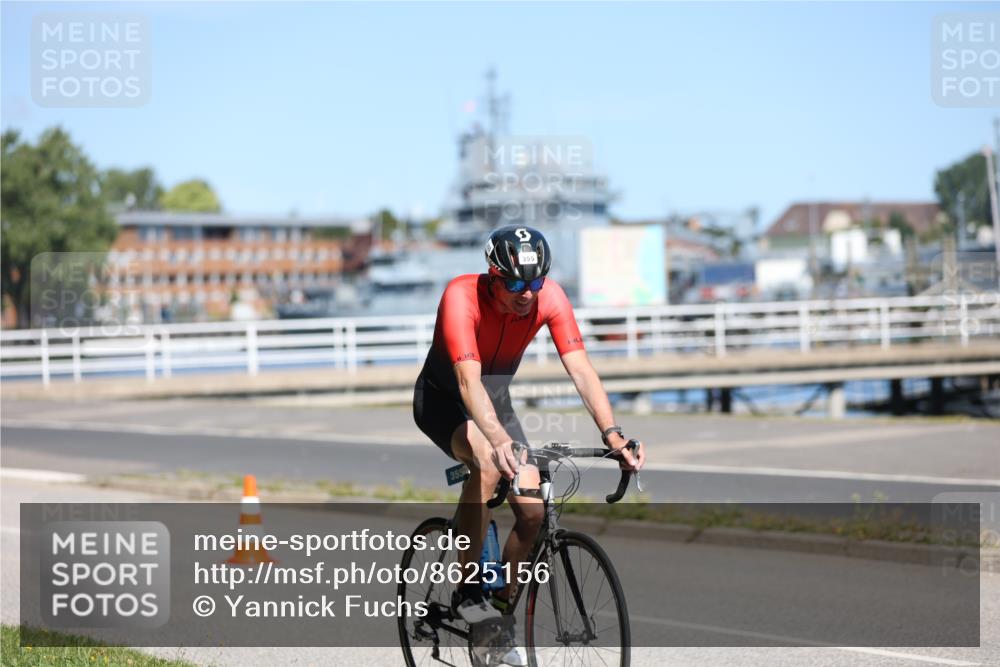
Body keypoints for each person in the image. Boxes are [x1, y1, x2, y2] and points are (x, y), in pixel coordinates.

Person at [412, 225, 645, 665]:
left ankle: (498, 617)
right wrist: (497, 441)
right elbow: (467, 380)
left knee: (534, 509)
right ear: (492, 275)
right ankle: (468, 590)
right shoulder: (461, 296)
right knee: (485, 461)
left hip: (495, 403)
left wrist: (612, 433)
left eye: (534, 282)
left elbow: (581, 369)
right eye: (515, 283)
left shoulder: (550, 298)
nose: (526, 293)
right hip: (444, 400)